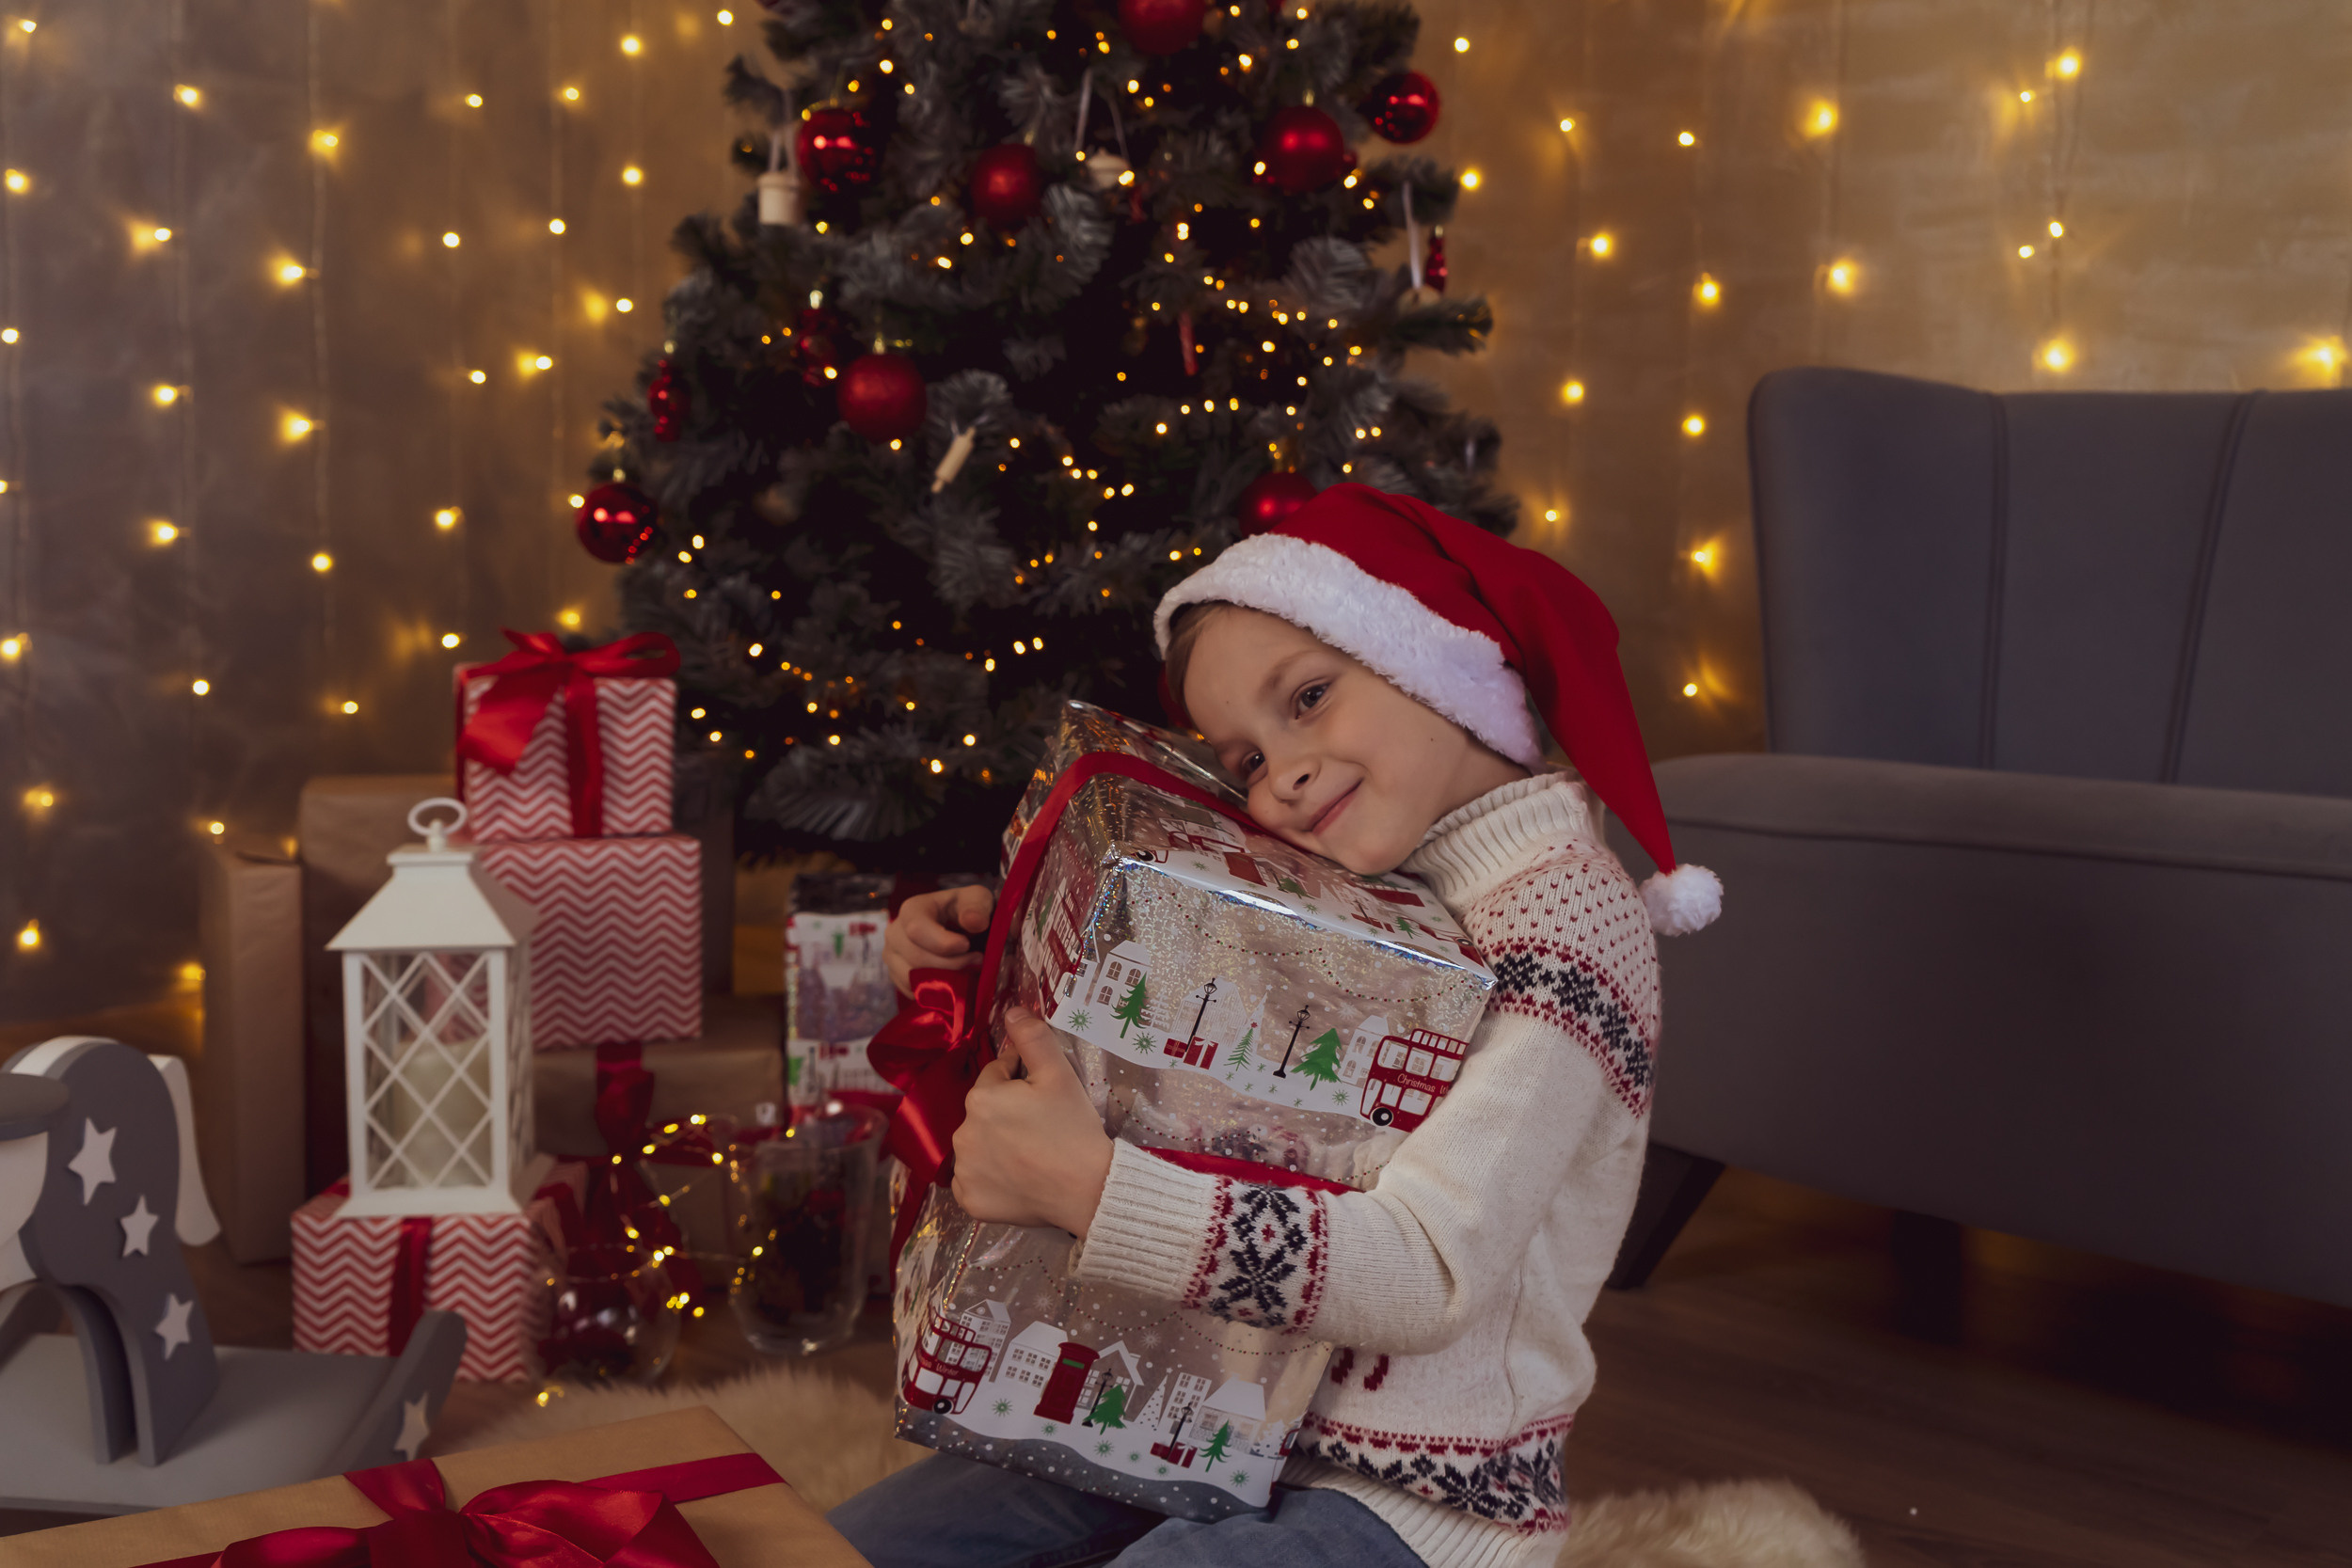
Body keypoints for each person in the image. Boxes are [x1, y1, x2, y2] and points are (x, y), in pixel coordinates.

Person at [834, 483, 1721, 1568]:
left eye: (1308, 696)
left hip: (1411, 1497)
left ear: (1433, 657)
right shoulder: (1349, 874)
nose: (1280, 778)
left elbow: (1431, 1269)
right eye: (1245, 756)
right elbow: (1174, 1040)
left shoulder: (1569, 920)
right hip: (1201, 1419)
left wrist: (1092, 1189)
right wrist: (990, 954)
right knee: (838, 1549)